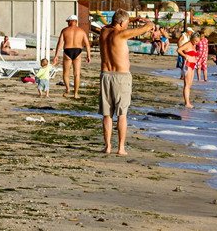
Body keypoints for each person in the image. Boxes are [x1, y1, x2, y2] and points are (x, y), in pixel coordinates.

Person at [97, 10, 151, 155]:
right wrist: (148, 23)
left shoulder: (104, 31)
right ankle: (120, 148)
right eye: (126, 23)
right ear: (121, 23)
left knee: (107, 114)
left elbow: (113, 24)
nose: (127, 26)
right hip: (121, 76)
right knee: (122, 113)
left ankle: (107, 146)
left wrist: (132, 19)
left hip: (105, 75)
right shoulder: (121, 34)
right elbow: (146, 28)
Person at [55, 17, 91, 98]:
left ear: (72, 21)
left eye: (68, 21)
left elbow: (59, 44)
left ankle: (67, 89)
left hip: (67, 50)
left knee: (66, 73)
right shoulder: (81, 31)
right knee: (77, 74)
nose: (67, 23)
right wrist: (88, 55)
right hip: (78, 51)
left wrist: (56, 56)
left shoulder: (64, 30)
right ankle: (76, 94)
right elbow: (87, 44)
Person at [177, 30, 197, 108]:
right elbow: (179, 50)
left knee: (190, 84)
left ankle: (188, 101)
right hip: (187, 65)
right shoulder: (188, 44)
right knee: (187, 84)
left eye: (197, 41)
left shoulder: (193, 45)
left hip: (193, 65)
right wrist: (185, 56)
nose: (196, 42)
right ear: (192, 38)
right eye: (195, 41)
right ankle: (187, 103)